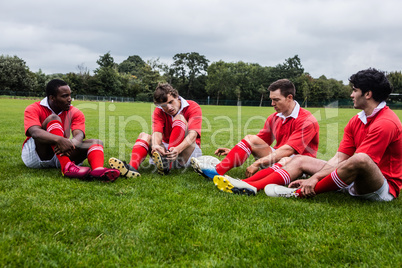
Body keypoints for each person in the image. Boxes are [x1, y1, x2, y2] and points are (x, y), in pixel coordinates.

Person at [260, 68, 402, 201]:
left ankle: (297, 193)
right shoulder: (357, 119)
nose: (351, 95)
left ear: (368, 94)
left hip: (382, 188)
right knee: (299, 159)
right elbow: (340, 157)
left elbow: (362, 163)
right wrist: (317, 176)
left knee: (360, 159)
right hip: (354, 180)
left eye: (355, 90)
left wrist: (315, 178)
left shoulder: (386, 122)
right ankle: (252, 185)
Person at [191, 79, 320, 191]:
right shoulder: (274, 117)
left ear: (289, 98)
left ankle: (245, 184)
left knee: (286, 159)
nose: (272, 104)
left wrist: (258, 163)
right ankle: (218, 171)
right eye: (271, 100)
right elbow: (258, 142)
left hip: (298, 166)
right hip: (277, 158)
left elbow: (288, 150)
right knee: (251, 139)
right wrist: (234, 152)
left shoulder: (307, 120)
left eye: (276, 100)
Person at [22, 79, 120, 182]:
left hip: (61, 152)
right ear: (52, 98)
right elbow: (35, 133)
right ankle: (66, 167)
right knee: (53, 118)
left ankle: (98, 171)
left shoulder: (75, 112)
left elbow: (79, 134)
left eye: (70, 95)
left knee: (96, 142)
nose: (69, 99)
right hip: (38, 155)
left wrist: (72, 142)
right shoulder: (33, 108)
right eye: (64, 96)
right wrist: (59, 140)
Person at [109, 82, 202, 176]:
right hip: (166, 150)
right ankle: (132, 169)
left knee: (179, 117)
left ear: (177, 96)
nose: (169, 108)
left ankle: (167, 164)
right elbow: (157, 132)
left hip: (187, 152)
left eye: (170, 102)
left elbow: (193, 135)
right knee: (143, 135)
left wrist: (177, 149)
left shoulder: (193, 106)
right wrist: (155, 145)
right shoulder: (158, 111)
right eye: (164, 105)